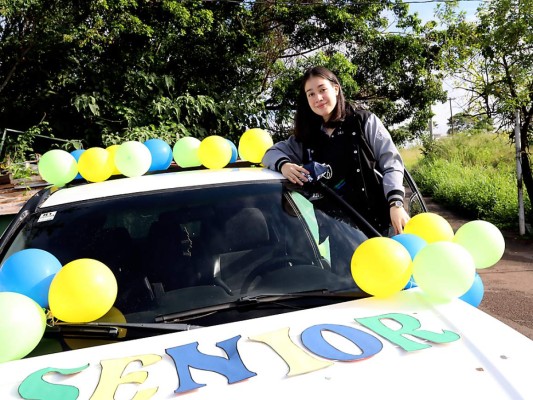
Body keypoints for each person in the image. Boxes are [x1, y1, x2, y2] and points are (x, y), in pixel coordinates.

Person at [262, 66, 409, 235]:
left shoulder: (363, 121)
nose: (318, 98)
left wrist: (395, 204)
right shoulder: (307, 137)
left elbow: (392, 163)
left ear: (336, 89)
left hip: (383, 224)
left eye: (322, 90)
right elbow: (270, 154)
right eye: (310, 94)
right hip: (340, 237)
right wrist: (284, 165)